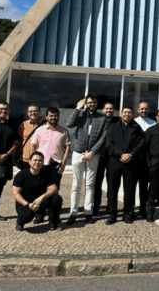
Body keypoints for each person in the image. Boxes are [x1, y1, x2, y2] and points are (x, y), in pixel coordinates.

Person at [64, 94, 107, 225]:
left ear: (97, 103)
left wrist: (93, 152)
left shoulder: (102, 118)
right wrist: (77, 108)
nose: (91, 104)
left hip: (93, 155)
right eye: (89, 102)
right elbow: (69, 124)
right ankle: (73, 212)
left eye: (93, 102)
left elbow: (103, 137)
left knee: (90, 185)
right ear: (86, 103)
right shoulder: (80, 115)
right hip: (78, 153)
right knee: (76, 185)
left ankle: (88, 212)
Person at [105, 106, 145, 225]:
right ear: (121, 114)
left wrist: (131, 155)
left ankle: (127, 213)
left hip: (131, 162)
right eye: (125, 112)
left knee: (130, 189)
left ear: (132, 115)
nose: (126, 114)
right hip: (115, 161)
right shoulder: (113, 126)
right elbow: (109, 144)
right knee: (112, 188)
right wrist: (120, 154)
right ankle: (112, 214)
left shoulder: (137, 128)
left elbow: (141, 143)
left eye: (129, 112)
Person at [12, 151, 63, 231]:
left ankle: (53, 222)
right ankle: (20, 222)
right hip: (26, 202)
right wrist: (28, 205)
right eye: (35, 160)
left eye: (40, 160)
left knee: (57, 198)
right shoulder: (21, 175)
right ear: (29, 161)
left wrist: (41, 198)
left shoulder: (45, 174)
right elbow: (16, 193)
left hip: (39, 201)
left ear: (43, 162)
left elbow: (54, 189)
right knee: (26, 217)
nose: (37, 162)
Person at [30, 107, 70, 190]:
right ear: (46, 117)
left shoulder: (64, 131)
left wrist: (63, 164)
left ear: (58, 116)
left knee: (54, 190)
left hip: (56, 166)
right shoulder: (39, 130)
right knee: (40, 189)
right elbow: (33, 146)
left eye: (55, 116)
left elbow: (67, 148)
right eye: (51, 116)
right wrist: (32, 162)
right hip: (41, 164)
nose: (53, 118)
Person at [93, 102, 119, 215]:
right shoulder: (98, 120)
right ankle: (95, 206)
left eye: (111, 109)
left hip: (113, 157)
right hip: (100, 155)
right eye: (107, 108)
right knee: (97, 183)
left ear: (114, 110)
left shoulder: (117, 121)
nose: (109, 110)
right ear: (103, 109)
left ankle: (111, 205)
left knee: (112, 183)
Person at [133, 102, 155, 219]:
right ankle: (130, 210)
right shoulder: (133, 122)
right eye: (141, 109)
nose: (143, 111)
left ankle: (143, 209)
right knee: (131, 187)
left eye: (146, 109)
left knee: (143, 187)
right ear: (138, 110)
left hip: (146, 160)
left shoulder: (153, 123)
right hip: (134, 159)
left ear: (148, 110)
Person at [18, 104, 42, 170]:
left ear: (39, 112)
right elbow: (19, 141)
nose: (33, 113)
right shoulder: (23, 125)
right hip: (25, 160)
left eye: (35, 111)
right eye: (30, 111)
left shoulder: (45, 125)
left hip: (40, 160)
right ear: (27, 113)